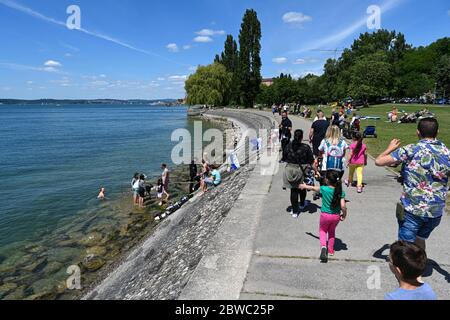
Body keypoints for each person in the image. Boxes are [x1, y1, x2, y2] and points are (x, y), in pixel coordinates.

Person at [375, 118, 450, 251]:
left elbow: (379, 161)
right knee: (420, 239)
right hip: (435, 210)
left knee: (406, 249)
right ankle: (421, 265)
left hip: (413, 208)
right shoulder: (446, 152)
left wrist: (390, 148)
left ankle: (410, 270)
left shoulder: (411, 149)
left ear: (417, 132)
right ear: (437, 132)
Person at [300, 170, 348, 263]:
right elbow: (343, 206)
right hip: (336, 216)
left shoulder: (324, 189)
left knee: (322, 231)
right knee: (331, 232)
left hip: (325, 215)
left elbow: (314, 188)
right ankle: (330, 250)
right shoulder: (340, 191)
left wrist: (305, 186)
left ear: (327, 180)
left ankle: (323, 247)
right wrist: (344, 215)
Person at [283, 130, 315, 218]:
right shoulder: (306, 147)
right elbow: (311, 160)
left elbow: (284, 157)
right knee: (302, 188)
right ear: (301, 137)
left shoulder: (288, 146)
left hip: (290, 169)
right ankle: (301, 204)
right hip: (302, 170)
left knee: (293, 190)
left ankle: (295, 211)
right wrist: (316, 170)